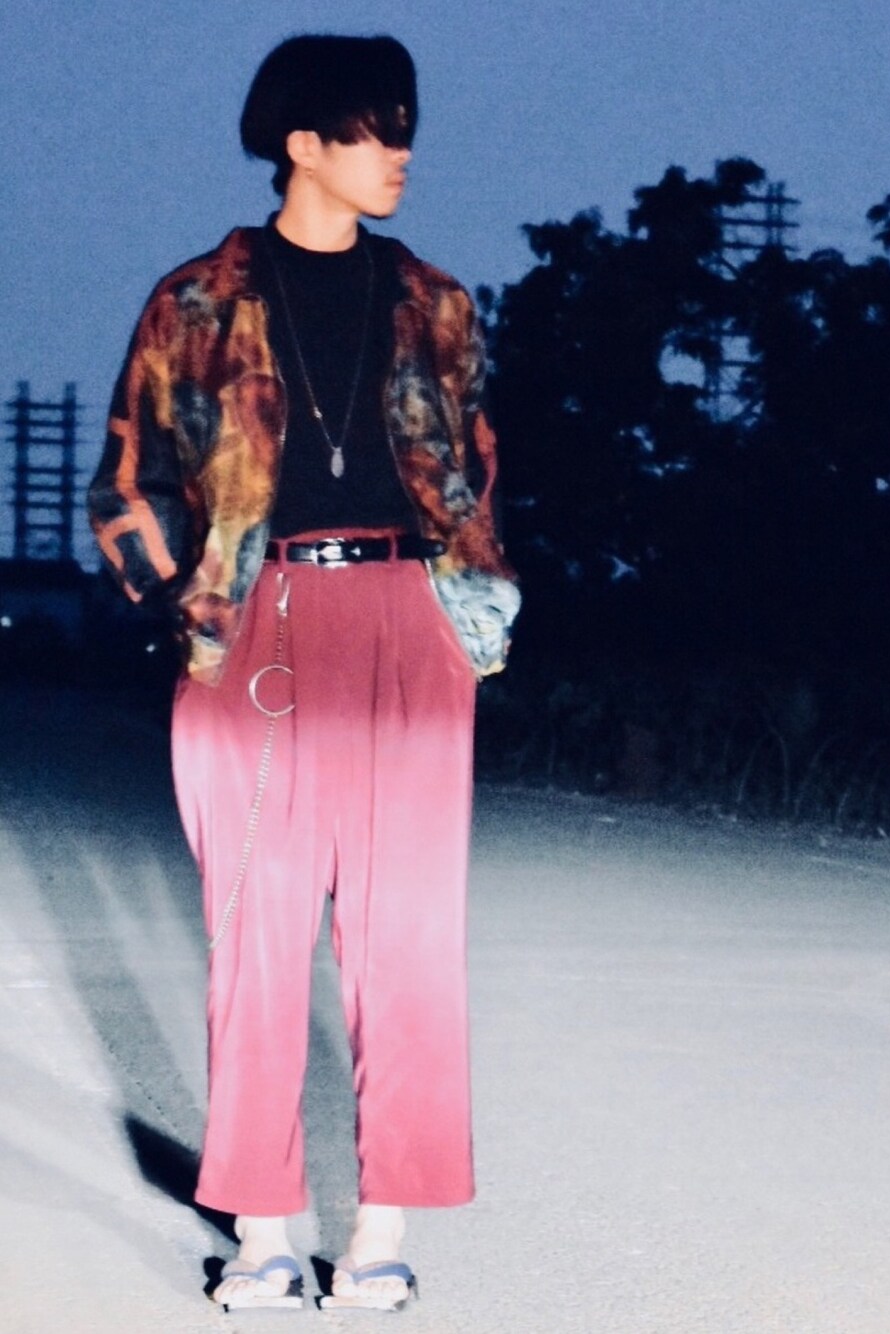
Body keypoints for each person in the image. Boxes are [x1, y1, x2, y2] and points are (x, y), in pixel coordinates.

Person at [88, 33, 519, 1312]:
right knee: (257, 941)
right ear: (303, 145)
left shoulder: (437, 302)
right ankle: (265, 1234)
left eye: (406, 126)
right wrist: (185, 605)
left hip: (410, 624)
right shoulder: (196, 301)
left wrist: (468, 614)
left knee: (408, 945)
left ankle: (381, 1234)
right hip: (256, 628)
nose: (402, 152)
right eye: (378, 128)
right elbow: (124, 479)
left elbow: (479, 465)